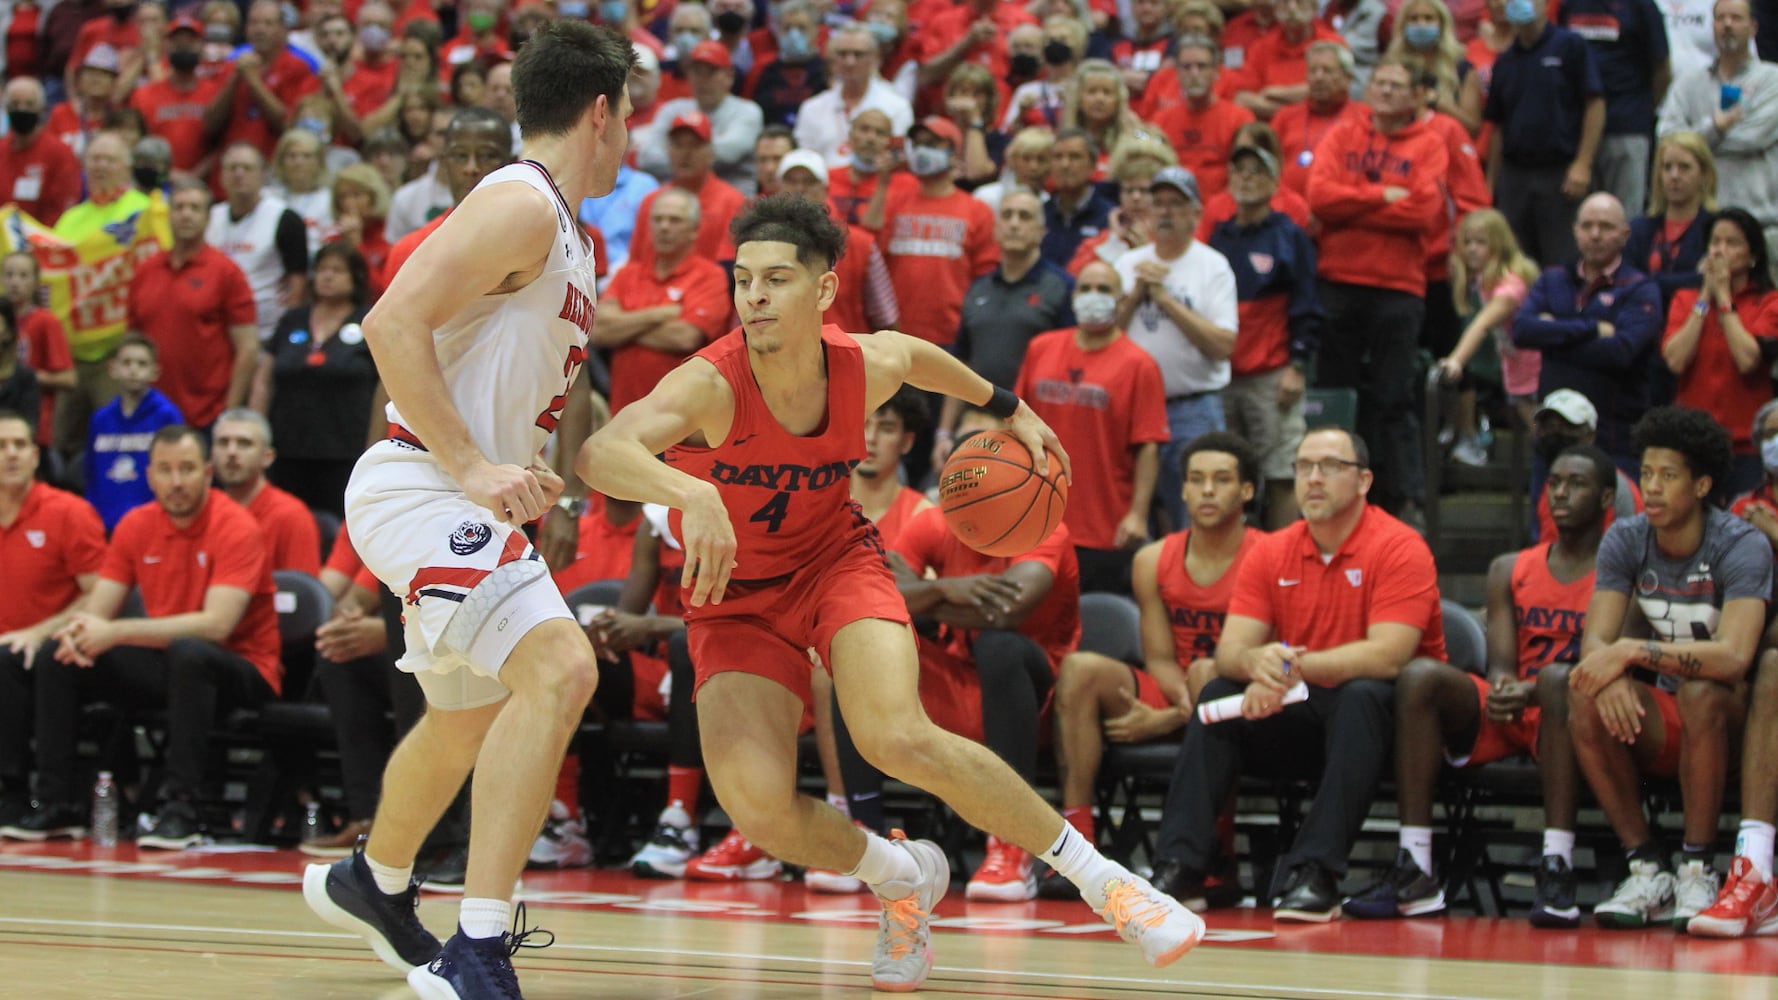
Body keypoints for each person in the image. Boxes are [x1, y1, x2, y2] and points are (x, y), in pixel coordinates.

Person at [577, 193, 1204, 992]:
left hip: (834, 563)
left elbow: (916, 355)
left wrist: (1007, 409)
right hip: (735, 602)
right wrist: (691, 494)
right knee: (757, 809)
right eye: (743, 280)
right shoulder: (711, 383)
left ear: (826, 291)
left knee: (895, 735)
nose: (755, 297)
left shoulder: (861, 364)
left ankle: (1109, 884)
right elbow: (602, 451)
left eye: (776, 279)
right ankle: (902, 875)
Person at [301, 23, 633, 998]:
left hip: (472, 499)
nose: (630, 144)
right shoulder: (520, 202)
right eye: (630, 121)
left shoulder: (567, 230)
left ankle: (375, 878)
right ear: (601, 112)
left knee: (466, 715)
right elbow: (389, 320)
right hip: (420, 482)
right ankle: (476, 950)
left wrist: (538, 471)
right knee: (561, 669)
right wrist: (475, 466)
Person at [1149, 427, 1445, 922]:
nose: (1312, 478)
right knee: (1219, 694)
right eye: (1303, 466)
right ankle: (1181, 865)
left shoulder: (1399, 546)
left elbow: (1389, 657)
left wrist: (1286, 665)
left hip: (1394, 729)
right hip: (1303, 707)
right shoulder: (1273, 549)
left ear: (1364, 480)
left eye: (1329, 467)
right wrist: (1257, 665)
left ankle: (1316, 873)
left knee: (1362, 694)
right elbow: (1231, 652)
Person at [1342, 444, 1612, 926]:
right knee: (1421, 676)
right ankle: (1417, 865)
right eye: (1554, 482)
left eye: (1577, 484)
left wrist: (1531, 689)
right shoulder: (1509, 567)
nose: (1561, 493)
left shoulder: (1618, 570)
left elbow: (1600, 661)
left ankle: (1557, 864)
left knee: (1556, 681)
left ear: (1607, 496)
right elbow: (1503, 662)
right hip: (1516, 707)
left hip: (1574, 713)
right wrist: (1506, 685)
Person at [4, 425, 282, 848]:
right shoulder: (136, 525)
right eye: (166, 470)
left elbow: (216, 626)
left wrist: (114, 632)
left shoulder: (235, 525)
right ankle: (55, 802)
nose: (176, 481)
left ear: (206, 473)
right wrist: (81, 634)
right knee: (58, 655)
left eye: (187, 469)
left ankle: (181, 807)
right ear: (149, 476)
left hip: (243, 669)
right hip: (169, 664)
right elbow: (97, 611)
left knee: (190, 652)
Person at [1568, 406, 1770, 931]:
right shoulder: (1626, 539)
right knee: (1582, 691)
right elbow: (1596, 642)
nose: (1652, 488)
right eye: (1647, 474)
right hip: (1672, 719)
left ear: (1702, 484)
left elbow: (1733, 657)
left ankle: (1698, 868)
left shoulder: (1741, 545)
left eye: (1669, 476)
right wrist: (1609, 670)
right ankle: (1647, 869)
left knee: (1701, 692)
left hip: (1737, 725)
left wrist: (1631, 655)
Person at [1049, 431, 1265, 897]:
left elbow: (1266, 657)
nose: (1207, 490)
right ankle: (1076, 845)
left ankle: (1214, 850)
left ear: (1246, 491)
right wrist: (1183, 705)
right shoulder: (1152, 559)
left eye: (1222, 480)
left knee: (1209, 673)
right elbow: (1162, 659)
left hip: (1242, 699)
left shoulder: (1269, 555)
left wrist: (1170, 717)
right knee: (1080, 670)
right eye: (1196, 480)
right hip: (1180, 688)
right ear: (1182, 489)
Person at [1307, 56, 1450, 530]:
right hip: (1339, 282)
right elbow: (1320, 198)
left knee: (1393, 399)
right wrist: (1383, 195)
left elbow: (1422, 212)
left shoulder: (1430, 144)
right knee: (1337, 399)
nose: (1386, 92)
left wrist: (1354, 201)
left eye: (1397, 85)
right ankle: (1328, 492)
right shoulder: (1343, 134)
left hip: (1398, 289)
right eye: (1380, 83)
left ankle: (1407, 501)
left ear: (1415, 96)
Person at [1017, 261, 1170, 594]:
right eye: (1085, 288)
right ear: (1073, 297)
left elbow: (1148, 445)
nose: (1093, 296)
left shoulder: (1139, 364)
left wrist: (1138, 514)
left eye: (1104, 289)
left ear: (1121, 298)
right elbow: (1017, 421)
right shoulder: (1040, 348)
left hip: (1104, 525)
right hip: (1037, 517)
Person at [1113, 166, 1239, 535]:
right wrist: (1136, 293)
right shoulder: (1127, 265)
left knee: (1198, 511)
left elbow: (1222, 345)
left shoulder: (1213, 266)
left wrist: (1165, 299)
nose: (1165, 212)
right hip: (1131, 410)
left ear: (1196, 214)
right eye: (1159, 203)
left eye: (1176, 204)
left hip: (1192, 408)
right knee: (1132, 511)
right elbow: (1104, 336)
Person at [0, 410, 107, 830]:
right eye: (1, 446)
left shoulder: (67, 512)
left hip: (51, 646)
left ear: (34, 455)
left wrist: (39, 630)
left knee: (13, 658)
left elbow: (99, 591)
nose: (10, 454)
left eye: (19, 445)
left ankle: (20, 793)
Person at [1205, 143, 1319, 528]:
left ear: (1273, 182)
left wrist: (1297, 367)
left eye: (1257, 170)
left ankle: (1284, 560)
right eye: (1239, 170)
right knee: (1226, 474)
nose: (1247, 178)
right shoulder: (1217, 238)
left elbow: (1307, 305)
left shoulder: (1289, 235)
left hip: (1270, 374)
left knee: (1281, 472)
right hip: (1222, 375)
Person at [1698, 400, 1778, 937]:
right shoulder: (1738, 509)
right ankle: (1752, 869)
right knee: (1768, 657)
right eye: (1770, 433)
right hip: (1751, 667)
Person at [1514, 193, 1665, 474]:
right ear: (1575, 231)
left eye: (1606, 227)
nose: (1595, 234)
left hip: (1614, 439)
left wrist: (1553, 333)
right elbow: (1522, 330)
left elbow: (1621, 350)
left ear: (1624, 234)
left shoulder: (1640, 288)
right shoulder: (1553, 278)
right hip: (1552, 438)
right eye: (1587, 226)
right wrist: (1592, 328)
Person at [938, 189, 1076, 462]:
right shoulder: (978, 288)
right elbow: (961, 363)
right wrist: (943, 432)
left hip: (1035, 424)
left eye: (1024, 216)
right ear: (997, 229)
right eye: (1007, 216)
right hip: (975, 422)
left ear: (1041, 230)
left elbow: (1070, 365)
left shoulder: (1061, 287)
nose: (1014, 223)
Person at [1660, 208, 1778, 497]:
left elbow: (1748, 359)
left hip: (1746, 445)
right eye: (1715, 242)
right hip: (1692, 443)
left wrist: (1724, 298)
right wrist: (1704, 297)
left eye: (1732, 243)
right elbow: (1675, 360)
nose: (1720, 251)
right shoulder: (1685, 300)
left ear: (1752, 256)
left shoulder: (1769, 302)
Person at [1483, 0, 1604, 266]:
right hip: (1515, 176)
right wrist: (1492, 185)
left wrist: (1583, 164)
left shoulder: (1571, 46)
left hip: (1560, 172)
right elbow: (1497, 127)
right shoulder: (1504, 61)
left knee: (1562, 261)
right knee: (1514, 261)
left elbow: (1594, 104)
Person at [132, 179, 260, 431]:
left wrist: (228, 413)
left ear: (208, 217)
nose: (186, 214)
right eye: (179, 207)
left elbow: (247, 348)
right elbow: (133, 341)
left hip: (207, 413)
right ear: (168, 215)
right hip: (149, 412)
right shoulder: (145, 271)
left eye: (194, 208)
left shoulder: (227, 272)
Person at [1656, 0, 1778, 253]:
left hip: (1762, 223)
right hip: (1700, 225)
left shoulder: (1772, 79)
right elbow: (1667, 138)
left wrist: (1694, 143)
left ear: (1753, 27)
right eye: (1720, 18)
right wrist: (1716, 126)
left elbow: (1754, 137)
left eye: (1736, 18)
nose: (1727, 25)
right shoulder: (1688, 84)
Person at [595, 187, 731, 414]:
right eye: (658, 219)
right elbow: (598, 331)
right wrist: (660, 315)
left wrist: (623, 328)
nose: (664, 227)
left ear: (695, 230)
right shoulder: (627, 274)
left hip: (683, 418)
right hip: (623, 414)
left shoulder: (710, 276)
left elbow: (685, 337)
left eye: (675, 220)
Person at [1438, 208, 1542, 465]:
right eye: (1467, 242)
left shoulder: (1511, 285)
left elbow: (1481, 325)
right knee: (1538, 435)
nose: (1472, 249)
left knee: (1544, 437)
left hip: (1535, 370)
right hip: (1515, 369)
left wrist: (1457, 361)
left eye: (1481, 242)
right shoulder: (1483, 280)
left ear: (1499, 244)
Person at [207, 143, 309, 344]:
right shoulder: (210, 217)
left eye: (247, 168)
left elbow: (298, 285)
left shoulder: (285, 218)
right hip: (217, 329)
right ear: (221, 176)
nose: (239, 174)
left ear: (263, 173)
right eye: (232, 168)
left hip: (267, 331)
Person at [84, 335, 184, 532]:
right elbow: (91, 474)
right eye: (127, 363)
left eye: (142, 364)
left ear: (155, 372)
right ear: (113, 369)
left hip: (153, 526)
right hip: (105, 525)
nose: (133, 370)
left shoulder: (167, 415)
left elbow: (176, 472)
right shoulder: (100, 419)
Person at [210, 407, 322, 574]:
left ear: (267, 457)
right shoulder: (203, 511)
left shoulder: (292, 516)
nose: (231, 452)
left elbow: (299, 593)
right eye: (223, 443)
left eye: (244, 443)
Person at [1623, 131, 1718, 315]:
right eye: (1667, 167)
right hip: (1643, 321)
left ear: (1703, 174)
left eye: (1684, 167)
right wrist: (1693, 278)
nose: (1674, 176)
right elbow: (1626, 283)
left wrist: (1651, 280)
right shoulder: (1639, 229)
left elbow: (1713, 283)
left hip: (1696, 319)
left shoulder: (1716, 227)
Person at [2, 252, 74, 455]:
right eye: (9, 275)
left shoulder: (45, 322)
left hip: (34, 425)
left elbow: (69, 378)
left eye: (23, 276)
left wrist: (22, 376)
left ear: (36, 282)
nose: (15, 282)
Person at [0, 76, 83, 226]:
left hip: (43, 239)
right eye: (15, 104)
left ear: (41, 109)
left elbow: (62, 207)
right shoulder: (2, 149)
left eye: (29, 104)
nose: (22, 110)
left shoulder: (59, 153)